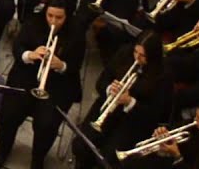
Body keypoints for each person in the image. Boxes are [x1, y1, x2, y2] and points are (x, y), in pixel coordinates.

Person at [0, 0, 85, 169]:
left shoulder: (76, 33)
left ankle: (38, 158)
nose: (53, 21)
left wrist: (61, 65)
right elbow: (18, 48)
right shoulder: (33, 23)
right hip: (27, 76)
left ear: (67, 16)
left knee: (47, 123)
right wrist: (31, 54)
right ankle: (4, 149)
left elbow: (75, 65)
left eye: (59, 18)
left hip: (58, 84)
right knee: (8, 114)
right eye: (50, 15)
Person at [72, 32, 172, 169]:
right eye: (136, 52)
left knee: (109, 158)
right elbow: (102, 81)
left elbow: (156, 114)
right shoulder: (124, 53)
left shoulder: (163, 76)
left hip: (133, 121)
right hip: (107, 110)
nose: (137, 57)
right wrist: (110, 89)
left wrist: (130, 101)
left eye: (142, 55)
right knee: (81, 145)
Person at [122, 100, 199, 169]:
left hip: (180, 165)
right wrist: (164, 132)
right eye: (196, 116)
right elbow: (175, 128)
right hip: (173, 162)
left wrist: (177, 155)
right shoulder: (195, 125)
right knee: (134, 162)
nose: (195, 121)